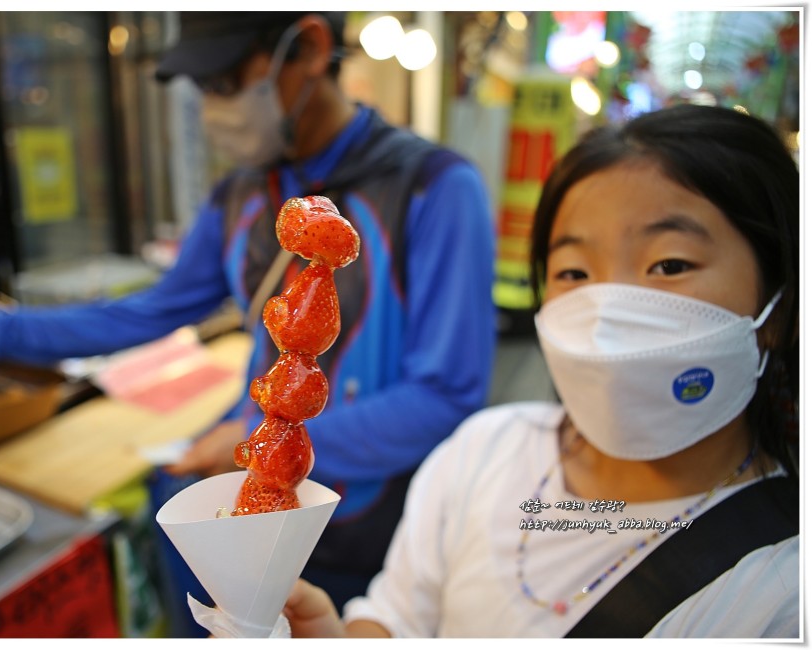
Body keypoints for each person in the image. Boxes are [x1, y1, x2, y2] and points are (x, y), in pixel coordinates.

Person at [0, 11, 496, 625]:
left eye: (226, 82)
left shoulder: (435, 188)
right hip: (247, 508)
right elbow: (152, 311)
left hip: (360, 530)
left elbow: (446, 397)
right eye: (203, 90)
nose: (213, 108)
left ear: (308, 47)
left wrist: (258, 448)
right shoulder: (240, 197)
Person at [280, 104, 799, 638]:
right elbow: (398, 618)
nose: (605, 309)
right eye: (573, 271)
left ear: (777, 311)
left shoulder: (783, 591)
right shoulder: (484, 453)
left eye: (670, 264)